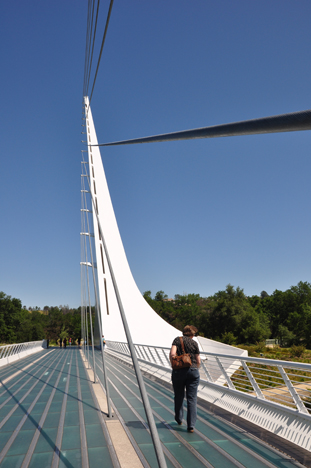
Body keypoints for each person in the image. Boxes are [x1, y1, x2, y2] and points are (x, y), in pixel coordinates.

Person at [170, 325, 201, 433]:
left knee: (179, 396)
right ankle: (191, 426)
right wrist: (195, 368)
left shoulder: (177, 340)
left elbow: (173, 353)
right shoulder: (194, 343)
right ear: (192, 334)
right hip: (193, 372)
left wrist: (174, 365)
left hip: (179, 371)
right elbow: (198, 360)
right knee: (192, 399)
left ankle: (179, 419)